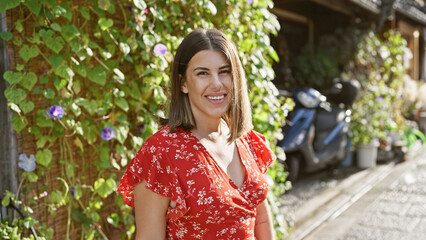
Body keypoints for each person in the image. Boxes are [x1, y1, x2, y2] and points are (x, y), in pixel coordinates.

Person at [118, 28, 276, 240]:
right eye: (203, 73)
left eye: (224, 71)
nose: (217, 84)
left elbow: (262, 218)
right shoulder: (161, 152)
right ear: (183, 83)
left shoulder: (245, 139)